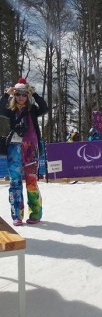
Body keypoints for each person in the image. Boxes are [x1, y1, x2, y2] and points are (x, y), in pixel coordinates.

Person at [0, 77, 48, 226]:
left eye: (24, 94)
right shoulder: (11, 111)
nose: (21, 97)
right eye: (18, 94)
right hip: (14, 148)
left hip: (30, 148)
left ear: (27, 96)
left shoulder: (32, 110)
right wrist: (6, 94)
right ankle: (17, 215)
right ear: (15, 96)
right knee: (15, 182)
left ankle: (35, 213)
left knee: (32, 182)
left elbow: (45, 108)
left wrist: (35, 94)